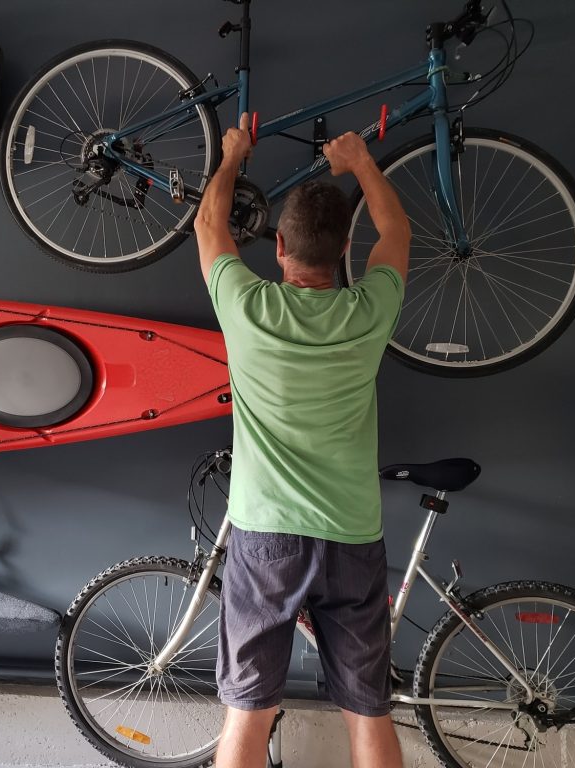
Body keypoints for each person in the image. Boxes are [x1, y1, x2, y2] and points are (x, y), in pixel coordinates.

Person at [193, 113, 410, 768]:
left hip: (266, 539)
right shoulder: (367, 310)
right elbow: (397, 231)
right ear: (346, 250)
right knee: (367, 712)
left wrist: (232, 156)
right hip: (351, 536)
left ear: (279, 249)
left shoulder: (246, 305)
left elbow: (210, 227)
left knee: (248, 716)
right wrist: (361, 162)